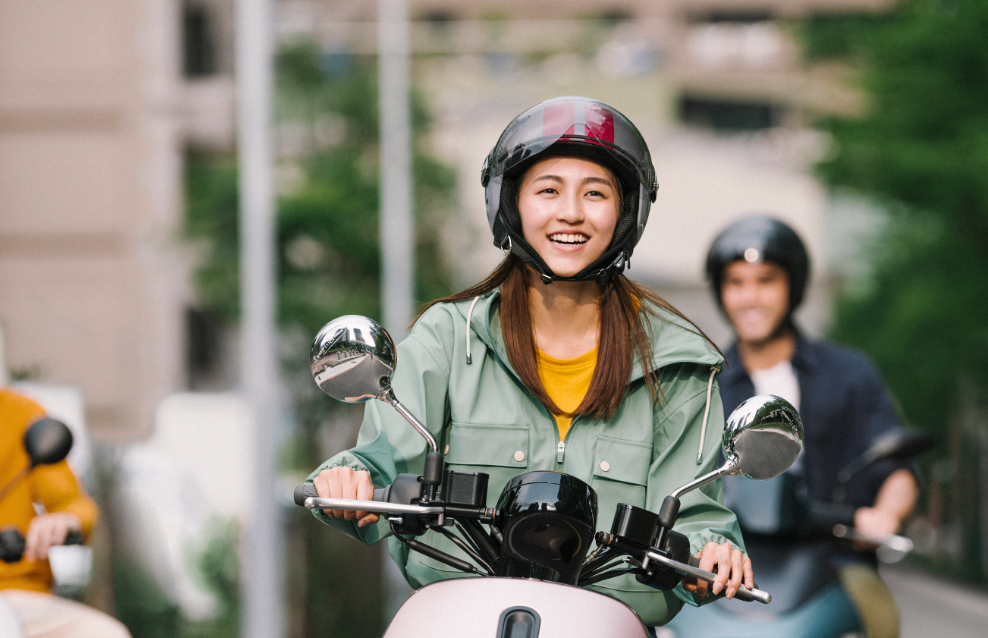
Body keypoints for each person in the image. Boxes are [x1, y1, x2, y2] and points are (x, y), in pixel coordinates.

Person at [307, 96, 753, 628]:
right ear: (510, 203)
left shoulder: (678, 362)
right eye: (548, 190)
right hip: (455, 619)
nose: (571, 212)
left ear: (627, 211)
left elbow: (697, 512)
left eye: (595, 193)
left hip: (608, 624)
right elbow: (384, 458)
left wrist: (712, 552)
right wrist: (349, 478)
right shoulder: (450, 337)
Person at [704, 215, 919, 638]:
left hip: (832, 560)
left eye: (766, 280)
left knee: (881, 619)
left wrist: (885, 514)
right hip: (725, 560)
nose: (750, 297)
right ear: (720, 291)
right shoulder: (702, 383)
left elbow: (897, 468)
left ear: (793, 287)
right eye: (735, 282)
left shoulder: (849, 374)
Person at [0, 264, 130, 638]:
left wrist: (63, 521)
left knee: (104, 634)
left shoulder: (20, 415)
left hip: (14, 597)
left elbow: (76, 505)